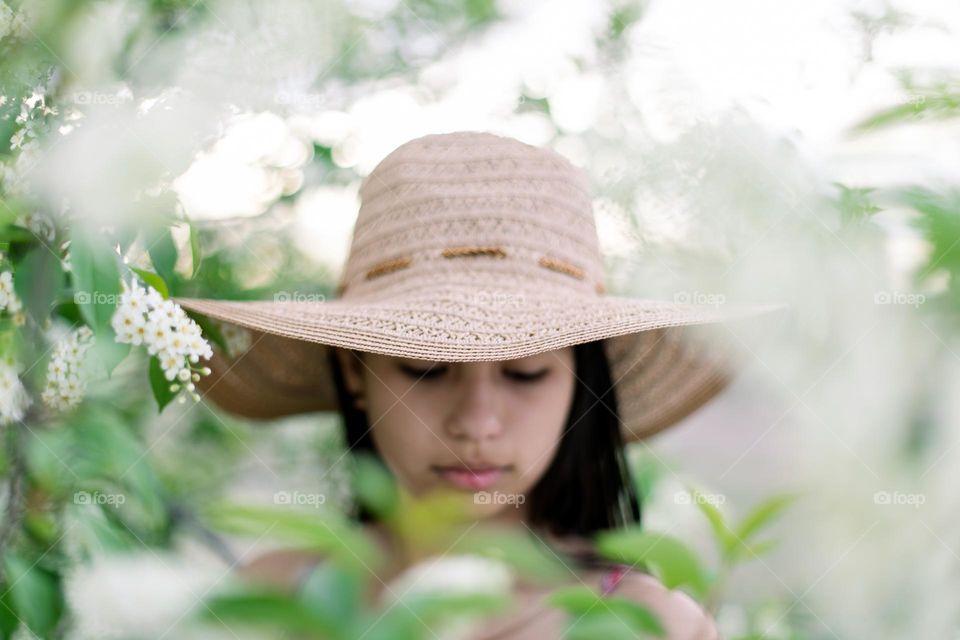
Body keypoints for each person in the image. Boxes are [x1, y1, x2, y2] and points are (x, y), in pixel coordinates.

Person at [175, 130, 783, 638]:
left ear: (580, 382)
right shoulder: (274, 602)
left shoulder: (652, 627)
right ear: (351, 370)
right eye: (426, 368)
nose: (478, 421)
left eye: (525, 373)